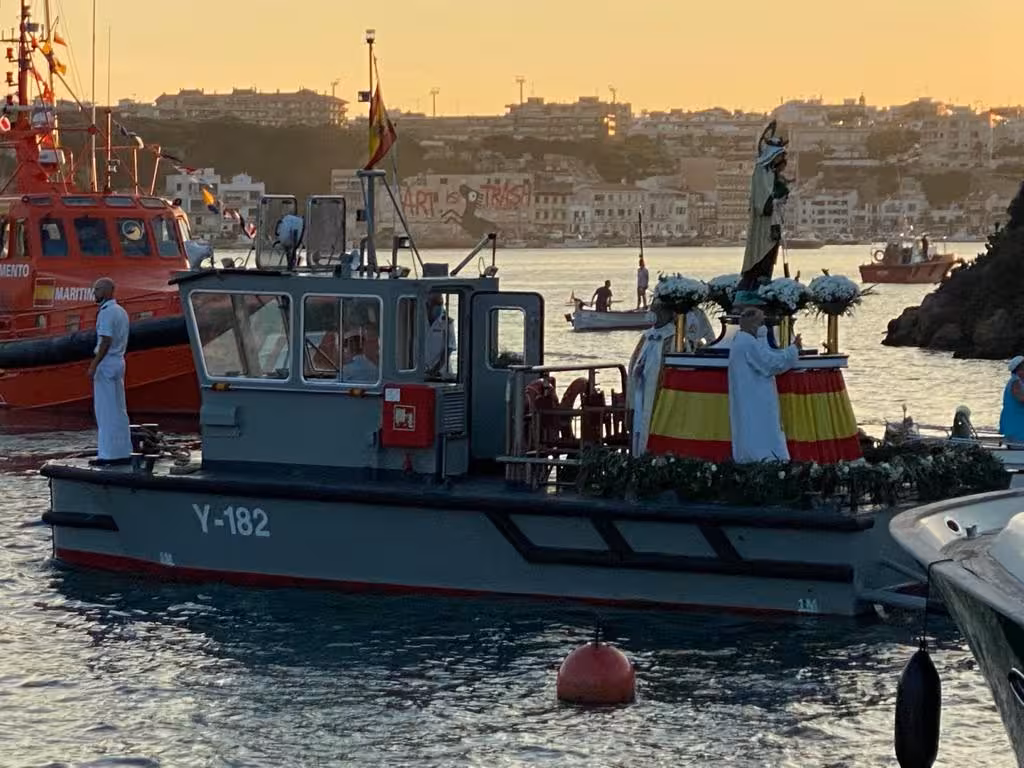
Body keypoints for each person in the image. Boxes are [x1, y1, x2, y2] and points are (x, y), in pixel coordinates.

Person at [728, 305, 802, 462]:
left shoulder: (742, 341)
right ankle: (767, 461)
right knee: (761, 430)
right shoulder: (747, 343)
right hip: (755, 399)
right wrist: (793, 350)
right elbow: (771, 363)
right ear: (753, 324)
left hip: (749, 395)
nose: (763, 327)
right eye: (761, 323)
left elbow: (766, 356)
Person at [738, 124, 790, 295]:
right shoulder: (761, 172)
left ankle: (763, 282)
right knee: (761, 254)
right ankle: (754, 284)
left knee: (769, 254)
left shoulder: (771, 173)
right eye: (779, 156)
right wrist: (778, 194)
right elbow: (763, 201)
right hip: (764, 222)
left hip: (772, 222)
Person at [87, 277, 133, 466]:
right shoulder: (121, 311)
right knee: (119, 410)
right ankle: (123, 451)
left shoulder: (106, 313)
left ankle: (107, 455)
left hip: (106, 363)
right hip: (119, 361)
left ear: (105, 291)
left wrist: (93, 365)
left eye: (96, 290)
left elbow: (105, 341)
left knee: (105, 411)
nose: (94, 294)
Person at [627, 298, 677, 455]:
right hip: (641, 397)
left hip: (662, 399)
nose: (654, 312)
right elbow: (634, 364)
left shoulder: (674, 337)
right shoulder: (647, 336)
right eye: (653, 308)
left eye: (659, 309)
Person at [425, 292, 457, 378]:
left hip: (442, 373)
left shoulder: (447, 322)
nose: (439, 306)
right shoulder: (417, 320)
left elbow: (450, 348)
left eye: (441, 303)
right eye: (436, 303)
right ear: (428, 304)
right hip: (423, 371)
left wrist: (435, 370)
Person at [1000, 355, 1024, 445]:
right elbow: (1020, 398)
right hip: (1017, 421)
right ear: (1019, 370)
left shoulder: (1020, 381)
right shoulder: (1015, 382)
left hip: (1017, 419)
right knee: (1018, 442)